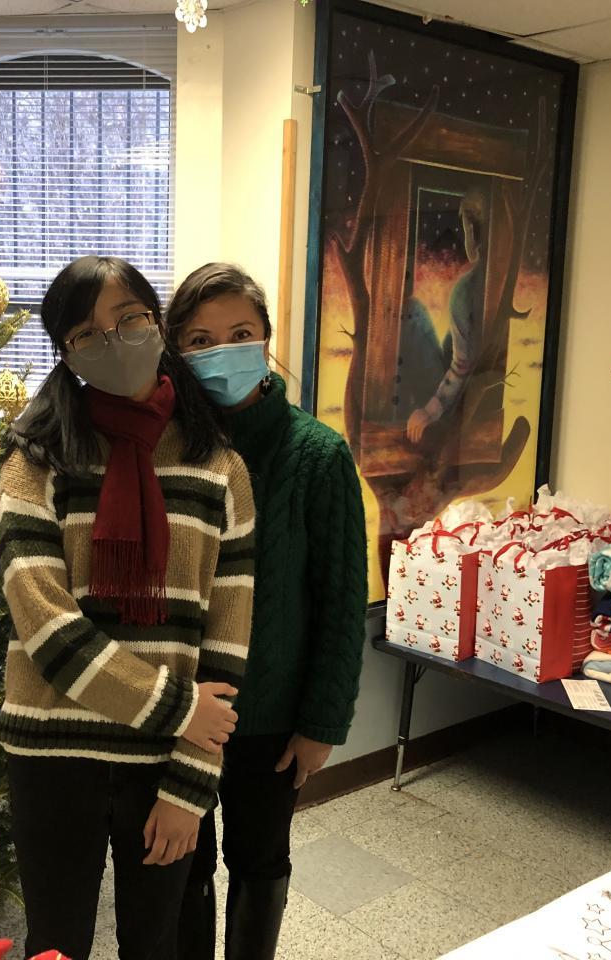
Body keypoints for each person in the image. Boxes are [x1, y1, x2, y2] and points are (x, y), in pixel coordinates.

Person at [0, 255, 257, 960]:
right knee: (55, 943)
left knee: (156, 942)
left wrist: (191, 786)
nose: (114, 341)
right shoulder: (35, 461)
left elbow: (226, 645)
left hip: (163, 764)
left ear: (157, 324)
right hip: (53, 753)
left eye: (130, 319)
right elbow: (46, 629)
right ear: (66, 351)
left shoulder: (218, 467)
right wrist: (178, 709)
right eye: (87, 333)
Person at [166, 263, 368, 959]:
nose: (221, 352)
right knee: (182, 865)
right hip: (181, 708)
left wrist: (321, 724)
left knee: (259, 860)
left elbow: (341, 602)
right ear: (176, 350)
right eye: (200, 340)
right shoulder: (163, 451)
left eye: (240, 334)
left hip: (272, 718)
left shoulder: (317, 454)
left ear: (266, 339)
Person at [404, 189, 489, 445]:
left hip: (456, 404)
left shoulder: (465, 291)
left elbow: (461, 366)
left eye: (465, 229)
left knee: (416, 315)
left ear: (471, 230)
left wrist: (430, 411)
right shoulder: (498, 281)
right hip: (477, 398)